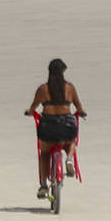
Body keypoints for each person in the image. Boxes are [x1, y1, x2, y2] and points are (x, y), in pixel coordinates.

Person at [25, 58, 86, 199]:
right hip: (66, 126)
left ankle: (44, 185)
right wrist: (81, 112)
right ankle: (69, 159)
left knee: (45, 153)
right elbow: (79, 106)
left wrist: (29, 112)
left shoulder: (42, 89)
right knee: (71, 143)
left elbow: (33, 107)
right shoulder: (70, 88)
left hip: (48, 127)